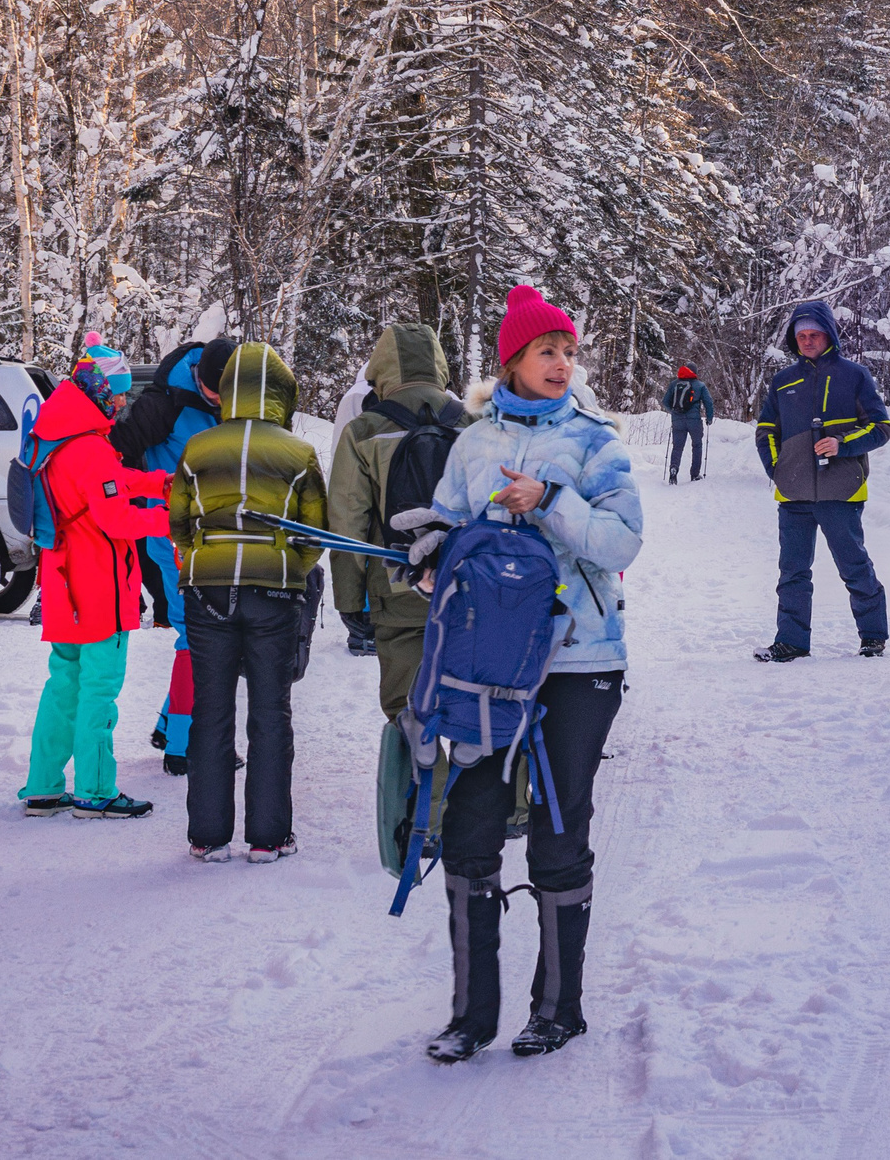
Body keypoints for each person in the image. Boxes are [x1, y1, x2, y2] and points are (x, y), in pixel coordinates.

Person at [422, 285, 642, 1063]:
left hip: (580, 660)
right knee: (470, 823)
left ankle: (557, 1007)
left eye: (570, 351)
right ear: (511, 358)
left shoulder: (595, 441)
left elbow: (619, 542)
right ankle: (471, 1015)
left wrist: (550, 500)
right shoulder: (472, 442)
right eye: (546, 350)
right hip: (489, 664)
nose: (562, 363)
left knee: (557, 826)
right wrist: (430, 559)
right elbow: (447, 527)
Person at [167, 341, 326, 863]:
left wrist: (202, 556)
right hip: (274, 590)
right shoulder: (298, 453)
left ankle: (207, 837)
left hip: (206, 589)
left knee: (210, 711)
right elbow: (315, 532)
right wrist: (288, 568)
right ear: (281, 393)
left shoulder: (198, 448)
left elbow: (179, 522)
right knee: (270, 712)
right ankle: (268, 836)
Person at [18, 334, 168, 820]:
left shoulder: (59, 434)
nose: (124, 403)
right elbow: (117, 520)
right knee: (99, 689)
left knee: (64, 684)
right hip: (99, 586)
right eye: (120, 393)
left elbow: (103, 485)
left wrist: (155, 483)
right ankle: (96, 790)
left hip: (64, 583)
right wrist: (171, 519)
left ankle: (42, 786)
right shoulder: (90, 448)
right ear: (100, 391)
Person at [109, 336, 235, 773]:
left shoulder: (236, 391)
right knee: (197, 635)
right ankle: (184, 747)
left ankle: (172, 725)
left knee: (208, 634)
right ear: (200, 379)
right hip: (173, 535)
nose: (221, 401)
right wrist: (146, 502)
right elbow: (114, 457)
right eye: (215, 393)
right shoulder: (163, 403)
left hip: (219, 536)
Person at [327, 323, 463, 702]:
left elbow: (347, 522)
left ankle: (418, 761)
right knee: (472, 710)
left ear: (379, 368)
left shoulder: (363, 430)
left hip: (395, 586)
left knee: (407, 710)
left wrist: (351, 601)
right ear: (439, 366)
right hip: (466, 584)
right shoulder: (473, 422)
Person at [752, 300, 890, 662]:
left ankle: (873, 637)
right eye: (801, 335)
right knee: (792, 572)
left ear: (828, 334)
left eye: (814, 334)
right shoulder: (784, 381)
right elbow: (767, 430)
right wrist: (778, 469)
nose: (807, 341)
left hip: (841, 491)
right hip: (794, 494)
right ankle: (791, 642)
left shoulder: (854, 375)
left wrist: (843, 443)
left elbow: (881, 427)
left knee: (854, 566)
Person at [661, 365, 715, 481]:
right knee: (697, 446)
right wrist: (709, 418)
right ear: (695, 372)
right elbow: (708, 403)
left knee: (677, 447)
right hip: (694, 420)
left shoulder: (674, 384)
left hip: (677, 420)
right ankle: (695, 474)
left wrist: (674, 412)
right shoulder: (700, 385)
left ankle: (673, 470)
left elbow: (665, 402)